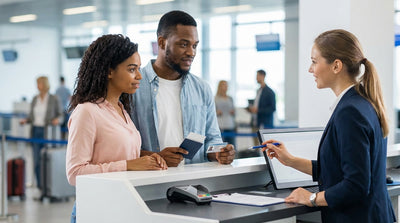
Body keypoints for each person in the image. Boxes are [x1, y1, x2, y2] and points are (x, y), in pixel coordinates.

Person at [262, 29, 395, 222]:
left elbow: (356, 185)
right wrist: (290, 160)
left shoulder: (350, 112)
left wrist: (311, 198)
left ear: (336, 66)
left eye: (314, 62)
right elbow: (338, 169)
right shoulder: (362, 103)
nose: (310, 69)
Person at [66, 34, 167, 223]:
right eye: (131, 69)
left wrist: (145, 159)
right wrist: (129, 165)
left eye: (138, 68)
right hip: (95, 210)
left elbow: (115, 155)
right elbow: (75, 173)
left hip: (122, 206)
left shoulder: (121, 109)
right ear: (109, 71)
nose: (139, 75)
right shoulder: (87, 111)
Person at [130, 10, 235, 167]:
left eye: (194, 45)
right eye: (183, 44)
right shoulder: (133, 87)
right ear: (162, 43)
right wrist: (156, 157)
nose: (191, 52)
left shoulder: (202, 89)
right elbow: (121, 147)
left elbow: (212, 138)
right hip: (147, 181)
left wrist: (219, 152)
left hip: (193, 182)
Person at [19, 76, 63, 189]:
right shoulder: (35, 99)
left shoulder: (54, 98)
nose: (37, 86)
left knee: (48, 159)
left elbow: (61, 115)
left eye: (39, 83)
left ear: (44, 84)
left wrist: (57, 120)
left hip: (48, 132)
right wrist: (26, 120)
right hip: (35, 131)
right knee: (36, 160)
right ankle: (41, 186)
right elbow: (32, 115)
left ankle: (50, 185)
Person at [215, 80, 236, 147]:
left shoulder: (230, 98)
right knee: (221, 147)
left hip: (230, 125)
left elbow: (234, 111)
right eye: (223, 85)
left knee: (231, 146)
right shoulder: (215, 98)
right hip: (220, 125)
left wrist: (233, 112)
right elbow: (211, 113)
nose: (225, 87)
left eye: (226, 85)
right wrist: (217, 112)